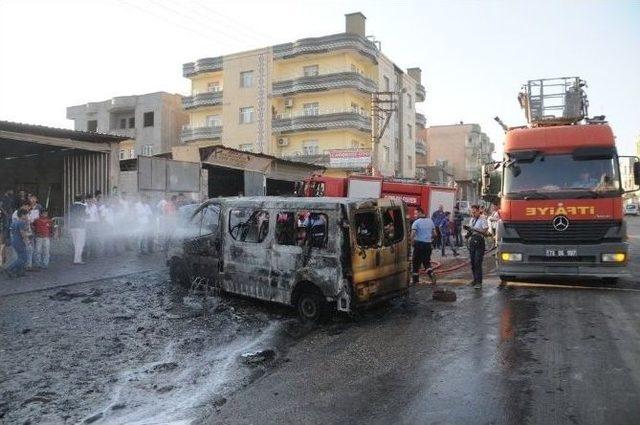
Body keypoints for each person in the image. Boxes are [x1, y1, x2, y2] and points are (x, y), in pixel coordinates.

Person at [465, 204, 490, 289]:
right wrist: (468, 233)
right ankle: (475, 280)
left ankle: (479, 282)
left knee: (477, 262)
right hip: (472, 241)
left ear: (478, 211)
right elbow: (471, 230)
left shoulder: (482, 219)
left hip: (479, 241)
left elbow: (485, 231)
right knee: (472, 262)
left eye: (474, 212)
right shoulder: (472, 220)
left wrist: (475, 229)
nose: (473, 214)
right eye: (472, 212)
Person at [411, 207, 436, 285]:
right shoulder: (430, 221)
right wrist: (429, 239)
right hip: (428, 245)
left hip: (419, 244)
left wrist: (410, 241)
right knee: (426, 262)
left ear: (420, 212)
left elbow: (413, 234)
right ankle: (431, 275)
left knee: (415, 262)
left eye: (416, 213)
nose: (415, 215)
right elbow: (435, 234)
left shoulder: (416, 222)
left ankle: (415, 281)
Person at [5, 209, 29, 278]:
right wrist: (26, 241)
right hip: (20, 241)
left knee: (20, 257)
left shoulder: (14, 222)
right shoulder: (21, 222)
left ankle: (19, 272)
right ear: (22, 215)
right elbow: (23, 233)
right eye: (26, 215)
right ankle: (10, 268)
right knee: (23, 258)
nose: (27, 216)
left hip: (14, 241)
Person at [69, 195, 87, 264]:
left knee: (75, 243)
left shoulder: (72, 206)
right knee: (80, 244)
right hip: (81, 227)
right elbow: (84, 216)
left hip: (73, 227)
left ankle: (77, 259)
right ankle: (77, 259)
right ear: (81, 199)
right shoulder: (83, 207)